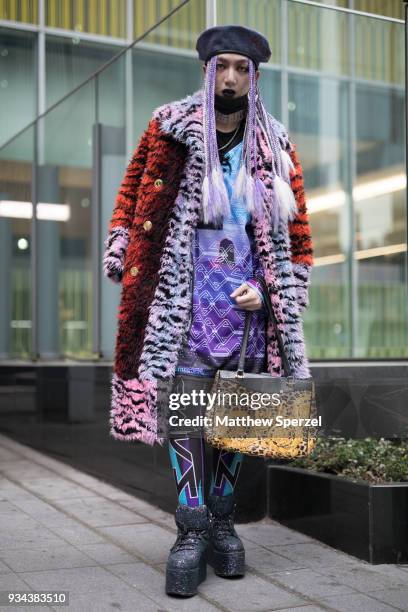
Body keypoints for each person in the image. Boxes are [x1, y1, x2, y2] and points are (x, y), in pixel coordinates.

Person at [103, 24, 313, 598]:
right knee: (191, 408)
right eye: (222, 67)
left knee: (236, 412)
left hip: (247, 301)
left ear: (255, 77)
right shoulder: (167, 127)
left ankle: (223, 521)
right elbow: (130, 193)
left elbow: (296, 237)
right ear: (206, 71)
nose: (230, 78)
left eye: (241, 69)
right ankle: (191, 526)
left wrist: (273, 293)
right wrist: (123, 245)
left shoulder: (277, 142)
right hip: (184, 293)